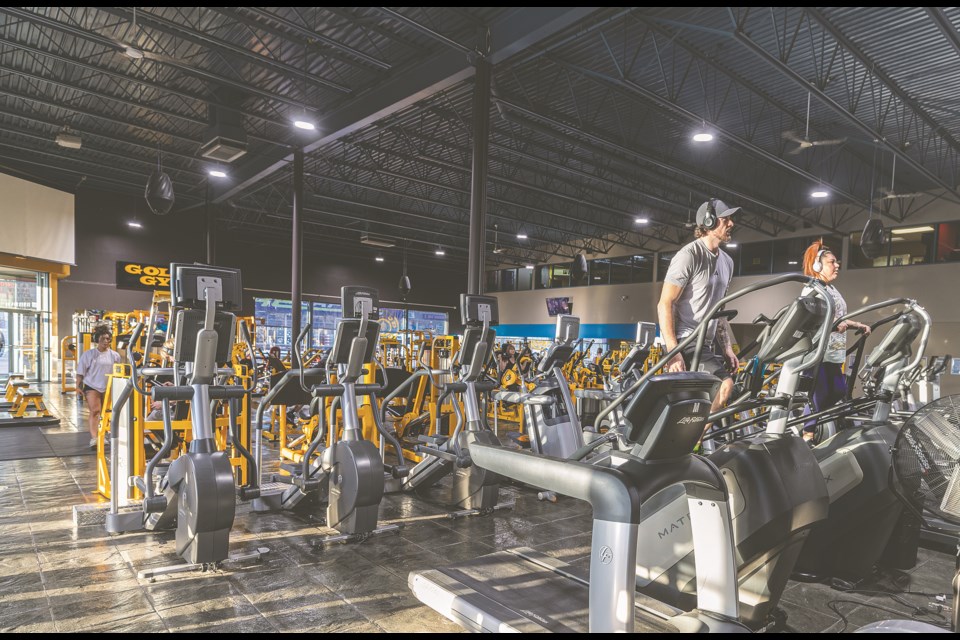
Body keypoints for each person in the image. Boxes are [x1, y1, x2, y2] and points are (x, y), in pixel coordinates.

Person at [657, 198, 740, 432]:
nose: (731, 223)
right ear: (709, 221)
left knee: (708, 399)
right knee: (725, 386)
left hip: (708, 341)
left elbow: (720, 309)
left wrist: (727, 348)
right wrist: (673, 352)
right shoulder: (689, 255)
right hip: (687, 340)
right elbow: (665, 303)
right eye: (725, 219)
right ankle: (691, 441)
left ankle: (691, 441)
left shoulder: (727, 262)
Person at [801, 240, 871, 442]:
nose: (837, 265)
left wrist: (857, 324)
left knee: (839, 391)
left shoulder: (831, 289)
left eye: (837, 262)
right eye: (832, 262)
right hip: (817, 353)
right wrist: (832, 325)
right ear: (817, 266)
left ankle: (820, 422)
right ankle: (808, 434)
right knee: (818, 395)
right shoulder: (812, 290)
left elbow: (837, 316)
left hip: (833, 353)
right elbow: (812, 318)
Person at [76, 325, 122, 449]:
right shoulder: (89, 355)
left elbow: (119, 372)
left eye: (108, 339)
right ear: (97, 340)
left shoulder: (115, 355)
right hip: (92, 386)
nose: (106, 341)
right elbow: (80, 372)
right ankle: (95, 438)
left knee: (106, 413)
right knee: (95, 411)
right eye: (103, 339)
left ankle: (103, 435)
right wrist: (77, 386)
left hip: (108, 387)